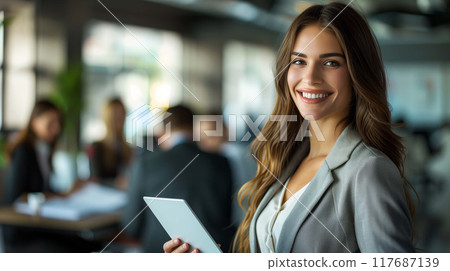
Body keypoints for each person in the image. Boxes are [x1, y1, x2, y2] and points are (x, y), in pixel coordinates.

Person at [164, 2, 416, 253]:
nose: (310, 77)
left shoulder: (368, 170)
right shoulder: (287, 157)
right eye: (299, 61)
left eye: (330, 63)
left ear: (357, 73)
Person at [122, 105, 235, 252]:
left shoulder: (145, 164)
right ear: (194, 128)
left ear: (162, 132)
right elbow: (228, 218)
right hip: (212, 255)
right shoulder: (222, 163)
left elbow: (131, 227)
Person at [4, 100, 63, 204]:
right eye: (51, 122)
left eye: (58, 122)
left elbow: (44, 189)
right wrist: (62, 195)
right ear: (34, 122)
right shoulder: (23, 152)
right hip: (19, 217)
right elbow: (16, 197)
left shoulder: (43, 150)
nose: (57, 129)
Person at [86, 98, 132, 190]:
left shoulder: (129, 149)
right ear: (107, 118)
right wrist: (116, 183)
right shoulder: (96, 147)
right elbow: (94, 180)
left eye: (121, 114)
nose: (119, 119)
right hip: (106, 197)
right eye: (115, 115)